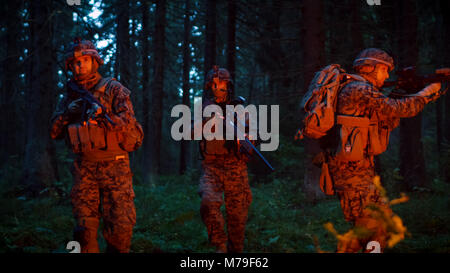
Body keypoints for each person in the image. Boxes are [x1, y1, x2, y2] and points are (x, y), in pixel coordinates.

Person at [323, 48, 445, 252]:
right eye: (384, 70)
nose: (387, 75)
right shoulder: (358, 89)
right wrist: (426, 94)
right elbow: (397, 109)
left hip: (360, 172)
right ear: (369, 68)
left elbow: (387, 117)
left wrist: (408, 91)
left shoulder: (359, 89)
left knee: (377, 224)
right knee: (373, 228)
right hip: (351, 174)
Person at [50, 38, 143, 253]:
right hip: (85, 169)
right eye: (75, 63)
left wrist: (104, 114)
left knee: (120, 230)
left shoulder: (113, 89)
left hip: (115, 167)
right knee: (84, 232)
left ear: (94, 61)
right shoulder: (70, 96)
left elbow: (130, 125)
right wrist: (68, 113)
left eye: (84, 60)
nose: (79, 65)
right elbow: (54, 132)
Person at [197, 66, 252, 253]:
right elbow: (190, 130)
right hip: (211, 166)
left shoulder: (240, 108)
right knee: (208, 204)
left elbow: (254, 133)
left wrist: (243, 138)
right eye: (214, 85)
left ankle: (235, 252)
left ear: (228, 86)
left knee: (237, 216)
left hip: (235, 166)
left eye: (222, 85)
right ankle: (220, 247)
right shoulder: (203, 109)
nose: (218, 88)